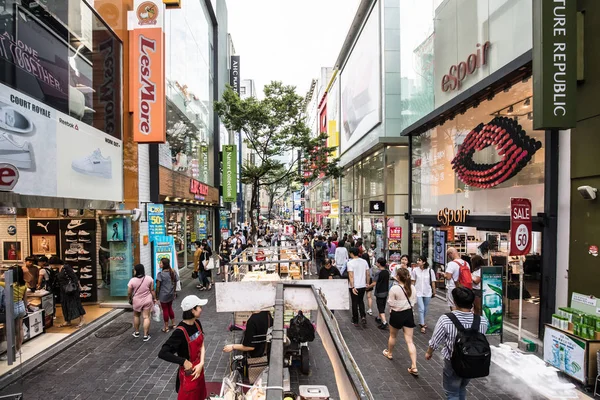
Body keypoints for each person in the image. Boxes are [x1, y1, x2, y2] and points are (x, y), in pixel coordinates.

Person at [425, 288, 489, 400]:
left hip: (452, 362)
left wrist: (429, 353)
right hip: (473, 362)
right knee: (462, 388)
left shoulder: (446, 319)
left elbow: (435, 341)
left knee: (452, 393)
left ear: (455, 302)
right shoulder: (482, 321)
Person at [158, 295, 208, 399]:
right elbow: (163, 353)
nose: (201, 310)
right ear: (192, 310)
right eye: (199, 307)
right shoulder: (179, 332)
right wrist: (183, 361)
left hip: (199, 370)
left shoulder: (197, 323)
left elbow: (202, 344)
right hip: (189, 375)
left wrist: (201, 363)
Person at [383, 268, 418, 376]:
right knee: (410, 341)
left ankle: (389, 353)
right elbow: (414, 302)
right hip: (408, 314)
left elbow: (391, 303)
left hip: (396, 314)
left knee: (393, 336)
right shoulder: (412, 287)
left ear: (398, 277)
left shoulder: (394, 288)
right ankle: (414, 366)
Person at [0, 266, 27, 353]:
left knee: (8, 330)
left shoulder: (6, 284)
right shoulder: (24, 285)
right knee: (19, 329)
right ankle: (18, 349)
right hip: (21, 306)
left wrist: (2, 276)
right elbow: (25, 299)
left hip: (10, 308)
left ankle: (11, 352)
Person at [128, 264, 157, 341]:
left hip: (137, 300)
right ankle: (145, 335)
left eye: (134, 270)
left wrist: (129, 299)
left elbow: (129, 292)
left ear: (136, 271)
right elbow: (152, 290)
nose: (133, 271)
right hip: (147, 300)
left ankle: (137, 332)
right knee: (146, 317)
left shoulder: (132, 280)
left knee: (136, 316)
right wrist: (155, 298)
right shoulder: (149, 278)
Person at [411, 256, 437, 334]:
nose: (418, 262)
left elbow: (433, 281)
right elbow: (413, 281)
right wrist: (412, 290)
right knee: (421, 308)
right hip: (418, 291)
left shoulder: (430, 271)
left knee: (425, 308)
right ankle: (422, 324)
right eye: (418, 260)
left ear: (424, 262)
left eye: (419, 260)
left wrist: (434, 291)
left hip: (427, 291)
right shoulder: (415, 270)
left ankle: (421, 321)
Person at [56, 260, 86, 328]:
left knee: (75, 303)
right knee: (65, 304)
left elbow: (74, 277)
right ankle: (67, 320)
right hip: (63, 290)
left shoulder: (66, 268)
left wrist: (78, 286)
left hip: (71, 289)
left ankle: (82, 319)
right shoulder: (57, 269)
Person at [347, 247, 370, 327]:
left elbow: (351, 276)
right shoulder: (364, 262)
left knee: (354, 302)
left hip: (354, 286)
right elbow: (368, 273)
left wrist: (353, 287)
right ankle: (363, 316)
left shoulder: (350, 263)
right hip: (362, 285)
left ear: (352, 253)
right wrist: (367, 283)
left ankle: (355, 319)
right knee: (361, 301)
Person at [156, 258, 179, 333]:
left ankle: (166, 327)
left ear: (164, 265)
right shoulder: (173, 272)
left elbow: (158, 286)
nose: (159, 264)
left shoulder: (160, 274)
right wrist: (174, 291)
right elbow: (175, 282)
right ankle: (174, 324)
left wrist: (157, 296)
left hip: (163, 294)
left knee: (165, 309)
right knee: (170, 308)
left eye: (161, 263)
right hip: (171, 293)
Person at [371, 257, 390, 329]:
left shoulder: (378, 273)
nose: (376, 263)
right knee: (383, 305)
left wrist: (368, 286)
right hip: (385, 291)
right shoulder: (387, 272)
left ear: (379, 263)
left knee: (380, 307)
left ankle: (384, 322)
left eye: (377, 262)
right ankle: (379, 318)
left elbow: (374, 283)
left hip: (379, 292)